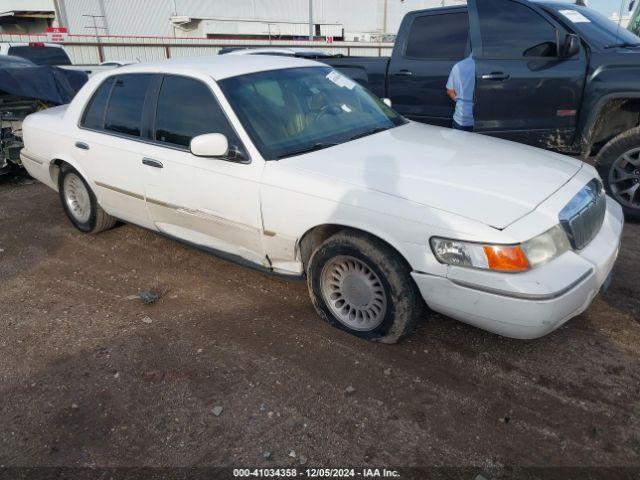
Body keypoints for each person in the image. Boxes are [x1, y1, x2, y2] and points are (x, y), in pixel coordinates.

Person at [446, 54, 476, 132]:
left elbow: (450, 91)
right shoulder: (486, 66)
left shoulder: (458, 66)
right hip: (479, 120)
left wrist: (459, 101)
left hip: (460, 118)